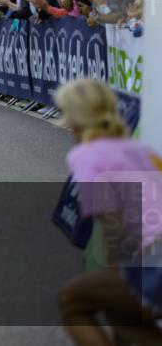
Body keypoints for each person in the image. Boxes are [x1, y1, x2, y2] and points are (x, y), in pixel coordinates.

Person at [55, 79, 162, 346]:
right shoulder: (140, 149)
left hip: (152, 259)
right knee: (123, 319)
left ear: (75, 119)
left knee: (71, 301)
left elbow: (112, 221)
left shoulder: (87, 155)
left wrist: (119, 273)